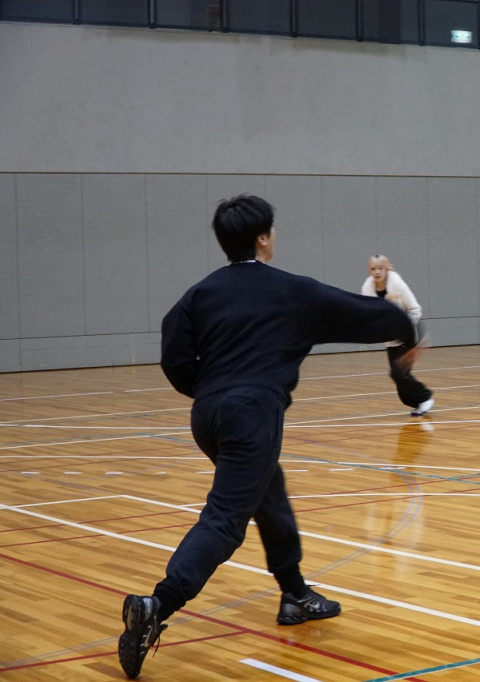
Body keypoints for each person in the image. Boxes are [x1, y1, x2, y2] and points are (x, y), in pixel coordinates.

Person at [118, 195, 421, 679]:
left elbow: (174, 356)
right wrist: (406, 332)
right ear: (262, 239)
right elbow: (366, 315)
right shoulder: (292, 291)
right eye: (272, 231)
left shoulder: (199, 295)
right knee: (225, 520)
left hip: (207, 415)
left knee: (269, 493)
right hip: (252, 414)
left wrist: (212, 390)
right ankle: (158, 604)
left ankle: (294, 593)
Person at [361, 255, 434, 417]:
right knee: (400, 380)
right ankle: (419, 403)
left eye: (381, 268)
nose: (377, 272)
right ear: (369, 271)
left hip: (408, 333)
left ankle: (425, 397)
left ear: (387, 269)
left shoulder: (398, 285)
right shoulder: (367, 289)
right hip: (390, 338)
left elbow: (415, 309)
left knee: (397, 372)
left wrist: (405, 327)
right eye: (373, 268)